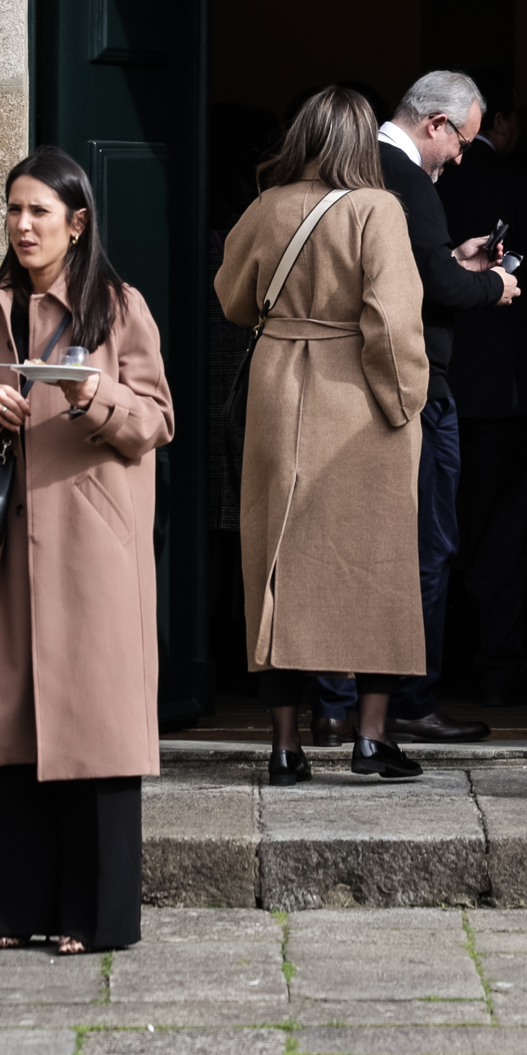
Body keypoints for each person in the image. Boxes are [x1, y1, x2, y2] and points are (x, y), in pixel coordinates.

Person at [0, 147, 173, 955]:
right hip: (14, 547)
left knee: (96, 724)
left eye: (39, 210)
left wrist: (92, 393)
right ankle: (12, 912)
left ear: (77, 222)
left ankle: (96, 918)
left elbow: (156, 419)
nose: (23, 225)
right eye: (13, 208)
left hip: (95, 546)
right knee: (16, 722)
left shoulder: (119, 308)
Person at [215, 85, 433, 785]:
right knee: (378, 568)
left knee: (275, 568)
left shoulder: (266, 206)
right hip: (358, 399)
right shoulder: (377, 208)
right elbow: (392, 320)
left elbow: (233, 299)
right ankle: (370, 739)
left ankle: (285, 748)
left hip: (278, 388)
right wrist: (407, 400)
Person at [365, 70, 514, 747]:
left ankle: (345, 702)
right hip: (418, 389)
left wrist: (453, 258)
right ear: (436, 124)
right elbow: (439, 288)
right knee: (428, 545)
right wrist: (493, 286)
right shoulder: (406, 176)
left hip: (380, 385)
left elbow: (415, 273)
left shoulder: (364, 164)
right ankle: (410, 700)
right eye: (462, 142)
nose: (459, 159)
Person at [437, 102, 527, 710]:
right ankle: (497, 669)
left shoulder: (419, 181)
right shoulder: (515, 183)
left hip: (437, 380)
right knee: (502, 531)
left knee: (435, 528)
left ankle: (425, 674)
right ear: (503, 120)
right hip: (503, 387)